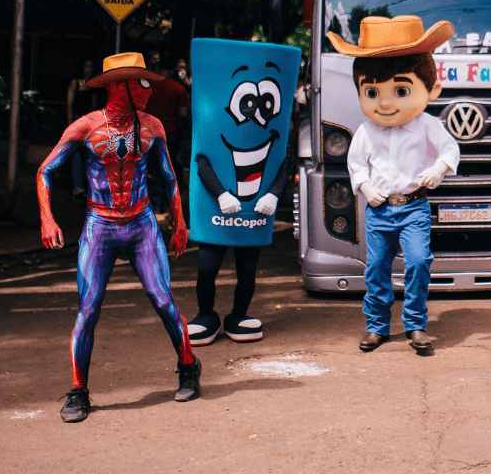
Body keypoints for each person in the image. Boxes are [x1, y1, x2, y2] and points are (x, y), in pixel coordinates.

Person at [36, 52, 200, 423]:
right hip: (101, 225)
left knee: (163, 300)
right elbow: (45, 171)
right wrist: (47, 219)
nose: (148, 89)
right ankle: (79, 391)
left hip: (142, 223)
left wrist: (180, 223)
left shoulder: (152, 126)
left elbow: (169, 176)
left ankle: (189, 365)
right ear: (118, 86)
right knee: (89, 308)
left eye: (148, 82)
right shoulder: (85, 127)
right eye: (140, 82)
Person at [327, 16, 460, 355]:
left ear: (431, 90)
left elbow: (450, 148)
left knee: (417, 262)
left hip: (414, 206)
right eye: (372, 92)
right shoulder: (366, 131)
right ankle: (377, 325)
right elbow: (355, 163)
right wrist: (365, 187)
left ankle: (415, 324)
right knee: (377, 268)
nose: (385, 103)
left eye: (401, 91)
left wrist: (439, 168)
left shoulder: (428, 125)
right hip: (379, 209)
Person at [185, 39, 301, 347]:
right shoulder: (207, 124)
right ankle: (205, 315)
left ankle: (239, 314)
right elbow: (201, 160)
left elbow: (283, 165)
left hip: (253, 213)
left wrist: (273, 194)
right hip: (216, 210)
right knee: (207, 268)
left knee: (247, 270)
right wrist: (221, 194)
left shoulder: (280, 132)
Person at [142, 61, 191, 214]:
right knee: (162, 171)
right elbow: (183, 114)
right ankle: (157, 207)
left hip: (145, 132)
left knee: (142, 169)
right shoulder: (179, 88)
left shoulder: (147, 85)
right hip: (167, 133)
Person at [66, 60, 100, 198]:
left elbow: (94, 105)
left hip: (89, 121)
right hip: (77, 119)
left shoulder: (93, 84)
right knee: (76, 153)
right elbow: (69, 104)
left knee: (89, 153)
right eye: (86, 66)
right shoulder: (75, 82)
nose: (89, 69)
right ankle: (77, 187)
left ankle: (87, 187)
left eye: (91, 66)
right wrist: (70, 123)